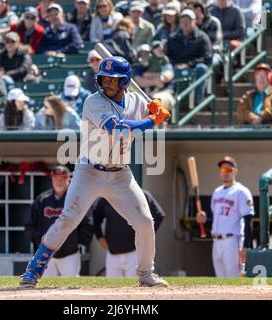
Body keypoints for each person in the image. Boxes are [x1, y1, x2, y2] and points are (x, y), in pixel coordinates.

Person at [19, 56, 171, 288]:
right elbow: (116, 129)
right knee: (68, 219)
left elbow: (161, 116)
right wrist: (151, 121)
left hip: (121, 173)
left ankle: (146, 274)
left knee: (145, 221)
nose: (107, 83)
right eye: (104, 78)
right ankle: (33, 270)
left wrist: (158, 107)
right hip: (89, 170)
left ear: (125, 82)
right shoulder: (93, 102)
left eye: (113, 79)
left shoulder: (137, 101)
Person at [24, 165, 94, 277]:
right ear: (52, 179)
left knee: (71, 286)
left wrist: (78, 241)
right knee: (45, 287)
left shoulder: (76, 199)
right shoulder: (42, 199)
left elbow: (88, 223)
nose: (59, 182)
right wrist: (39, 241)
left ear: (69, 179)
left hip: (70, 254)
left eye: (62, 178)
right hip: (46, 254)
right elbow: (30, 225)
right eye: (56, 178)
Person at [196, 156, 254, 278]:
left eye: (229, 170)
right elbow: (218, 219)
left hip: (232, 241)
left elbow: (248, 220)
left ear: (235, 171)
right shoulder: (217, 191)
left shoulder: (241, 192)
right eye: (223, 170)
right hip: (216, 241)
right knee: (220, 280)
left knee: (234, 278)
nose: (226, 173)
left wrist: (246, 246)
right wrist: (205, 220)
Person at [89, 190, 165, 277]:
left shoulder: (141, 195)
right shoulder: (106, 198)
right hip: (112, 254)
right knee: (112, 287)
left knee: (134, 287)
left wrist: (146, 235)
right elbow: (95, 218)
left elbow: (159, 215)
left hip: (135, 253)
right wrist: (100, 237)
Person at [166, 9, 212, 104]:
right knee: (166, 67)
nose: (185, 23)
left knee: (202, 68)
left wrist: (189, 64)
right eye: (183, 21)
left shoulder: (202, 37)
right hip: (176, 67)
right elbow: (168, 55)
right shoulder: (173, 37)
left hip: (194, 67)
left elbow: (207, 57)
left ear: (194, 21)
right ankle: (168, 101)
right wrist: (174, 64)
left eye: (188, 20)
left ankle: (197, 102)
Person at [189, 1, 223, 68]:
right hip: (196, 55)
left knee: (211, 62)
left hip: (213, 54)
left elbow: (215, 44)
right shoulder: (191, 24)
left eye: (191, 10)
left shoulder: (214, 22)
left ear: (198, 9)